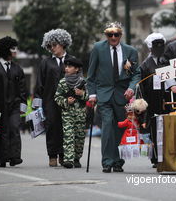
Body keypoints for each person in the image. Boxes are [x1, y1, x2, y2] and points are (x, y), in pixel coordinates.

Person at [87, 21, 140, 173]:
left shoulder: (130, 51)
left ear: (120, 35)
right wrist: (92, 94)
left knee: (120, 128)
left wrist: (131, 88)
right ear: (106, 35)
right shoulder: (98, 48)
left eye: (116, 34)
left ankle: (118, 161)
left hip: (122, 95)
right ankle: (107, 161)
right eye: (110, 34)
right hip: (104, 95)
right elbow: (90, 75)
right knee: (107, 126)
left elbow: (136, 73)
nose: (113, 37)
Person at [0, 36, 27, 167]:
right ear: (5, 50)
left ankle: (15, 157)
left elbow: (22, 88)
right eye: (13, 48)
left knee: (14, 128)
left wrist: (23, 103)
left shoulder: (17, 69)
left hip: (14, 105)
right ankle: (2, 158)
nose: (15, 51)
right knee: (1, 131)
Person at [33, 29, 74, 167]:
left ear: (62, 43)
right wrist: (37, 102)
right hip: (49, 100)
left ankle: (64, 155)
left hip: (68, 101)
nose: (51, 48)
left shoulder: (71, 60)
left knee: (66, 127)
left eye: (54, 45)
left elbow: (79, 80)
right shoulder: (45, 63)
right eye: (49, 46)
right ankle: (52, 155)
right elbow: (40, 82)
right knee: (51, 127)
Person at [139, 33, 169, 167]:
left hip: (166, 99)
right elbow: (141, 85)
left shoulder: (166, 62)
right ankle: (155, 157)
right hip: (151, 100)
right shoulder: (145, 65)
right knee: (154, 130)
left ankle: (166, 155)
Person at [54, 57, 88, 169]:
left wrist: (81, 94)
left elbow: (90, 97)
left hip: (80, 115)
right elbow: (57, 98)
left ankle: (76, 158)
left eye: (70, 67)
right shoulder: (63, 82)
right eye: (66, 66)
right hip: (67, 114)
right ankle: (68, 159)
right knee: (68, 136)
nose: (67, 68)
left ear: (77, 69)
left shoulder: (83, 82)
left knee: (79, 138)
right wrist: (66, 101)